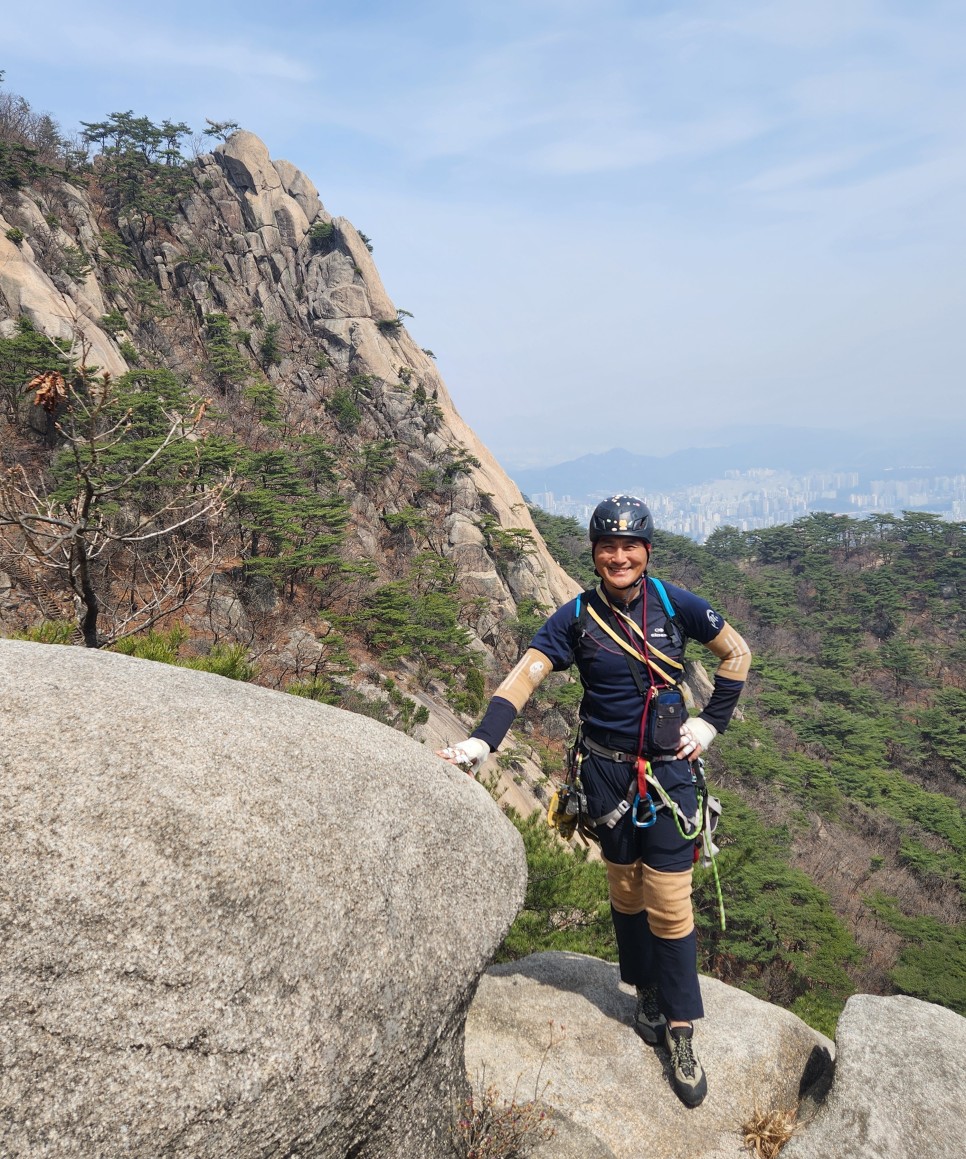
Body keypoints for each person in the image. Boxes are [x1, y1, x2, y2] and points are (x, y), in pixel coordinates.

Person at [438, 495, 751, 1107]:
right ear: (594, 553)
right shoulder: (577, 617)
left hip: (669, 774)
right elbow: (523, 676)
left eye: (630, 545)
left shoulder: (673, 603)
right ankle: (646, 992)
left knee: (666, 899)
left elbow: (736, 653)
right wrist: (483, 740)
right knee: (625, 890)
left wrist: (712, 722)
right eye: (608, 546)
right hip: (605, 777)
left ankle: (681, 1032)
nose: (619, 555)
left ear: (647, 551)